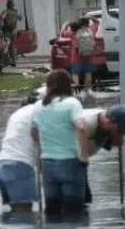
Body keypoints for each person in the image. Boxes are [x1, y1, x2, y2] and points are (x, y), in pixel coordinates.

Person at [31, 69, 92, 216]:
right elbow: (82, 128)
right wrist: (84, 155)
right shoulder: (72, 103)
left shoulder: (38, 106)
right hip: (70, 162)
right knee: (74, 211)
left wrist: (41, 153)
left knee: (52, 211)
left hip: (48, 164)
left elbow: (33, 133)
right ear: (67, 85)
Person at [79, 105, 125, 204]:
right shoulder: (87, 122)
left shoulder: (107, 124)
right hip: (70, 158)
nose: (122, 133)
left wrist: (118, 134)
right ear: (111, 123)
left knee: (86, 199)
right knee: (81, 198)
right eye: (121, 130)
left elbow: (117, 143)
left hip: (82, 159)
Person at [0, 97, 40, 214]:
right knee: (25, 218)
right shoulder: (37, 112)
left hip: (2, 165)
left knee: (16, 217)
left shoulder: (16, 115)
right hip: (19, 167)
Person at [70, 18, 97, 92]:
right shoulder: (91, 31)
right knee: (88, 73)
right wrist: (91, 17)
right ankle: (86, 91)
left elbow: (63, 33)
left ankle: (77, 91)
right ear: (88, 24)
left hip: (76, 58)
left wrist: (66, 25)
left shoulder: (74, 32)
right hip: (89, 57)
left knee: (75, 74)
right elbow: (97, 22)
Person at [0, 0, 22, 67]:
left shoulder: (6, 11)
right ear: (13, 5)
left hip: (7, 32)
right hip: (14, 31)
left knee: (5, 46)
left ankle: (6, 61)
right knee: (12, 46)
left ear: (7, 5)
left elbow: (1, 18)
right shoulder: (15, 12)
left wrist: (1, 25)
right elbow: (20, 18)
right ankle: (14, 62)